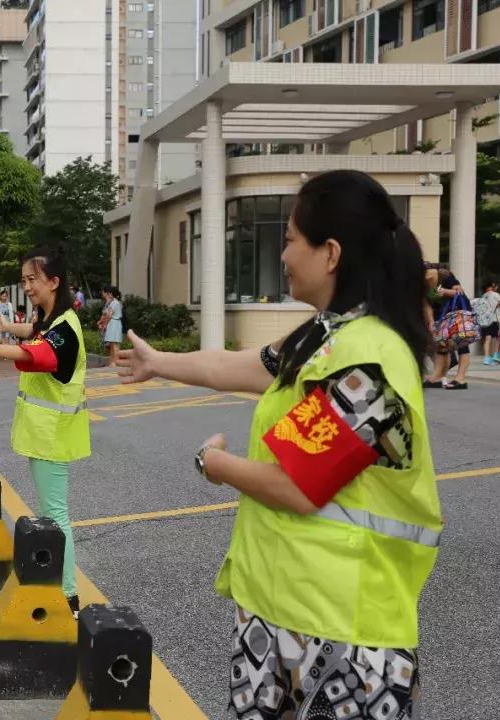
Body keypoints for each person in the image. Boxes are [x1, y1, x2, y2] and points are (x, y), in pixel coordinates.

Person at [118, 170, 440, 719]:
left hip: (347, 637)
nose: (284, 255)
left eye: (290, 240)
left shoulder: (370, 357)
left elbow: (295, 486)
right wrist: (159, 363)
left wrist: (212, 463)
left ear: (330, 253)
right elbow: (239, 365)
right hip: (282, 616)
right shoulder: (323, 333)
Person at [0, 248, 89, 616]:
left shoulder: (65, 328)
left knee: (55, 514)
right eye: (24, 279)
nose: (26, 286)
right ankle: (63, 590)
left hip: (53, 436)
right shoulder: (50, 321)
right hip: (45, 434)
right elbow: (35, 333)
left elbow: (40, 355)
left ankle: (70, 596)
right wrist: (10, 329)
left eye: (33, 280)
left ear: (54, 282)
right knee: (50, 512)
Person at [424, 268, 471, 389]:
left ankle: (460, 379)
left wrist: (442, 291)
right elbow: (426, 304)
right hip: (443, 314)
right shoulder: (421, 285)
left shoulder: (445, 276)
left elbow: (459, 292)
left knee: (462, 345)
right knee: (441, 344)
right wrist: (431, 321)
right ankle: (437, 377)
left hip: (458, 311)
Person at [474, 279, 500, 365]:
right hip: (493, 320)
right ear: (490, 287)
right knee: (496, 338)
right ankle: (495, 355)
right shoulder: (495, 294)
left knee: (487, 339)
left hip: (484, 320)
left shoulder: (483, 296)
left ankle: (486, 358)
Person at [99, 286, 124, 367]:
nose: (108, 294)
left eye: (110, 292)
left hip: (114, 323)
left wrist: (104, 325)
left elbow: (109, 315)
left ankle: (116, 362)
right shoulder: (115, 302)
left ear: (112, 294)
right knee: (112, 343)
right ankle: (113, 362)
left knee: (114, 344)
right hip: (113, 323)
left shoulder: (114, 303)